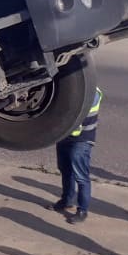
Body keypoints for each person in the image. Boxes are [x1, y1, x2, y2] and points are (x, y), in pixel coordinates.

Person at [49, 87, 102, 224]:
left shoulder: (92, 93)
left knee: (81, 176)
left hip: (82, 140)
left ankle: (82, 210)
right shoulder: (72, 90)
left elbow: (73, 112)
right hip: (64, 137)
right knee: (65, 171)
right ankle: (66, 201)